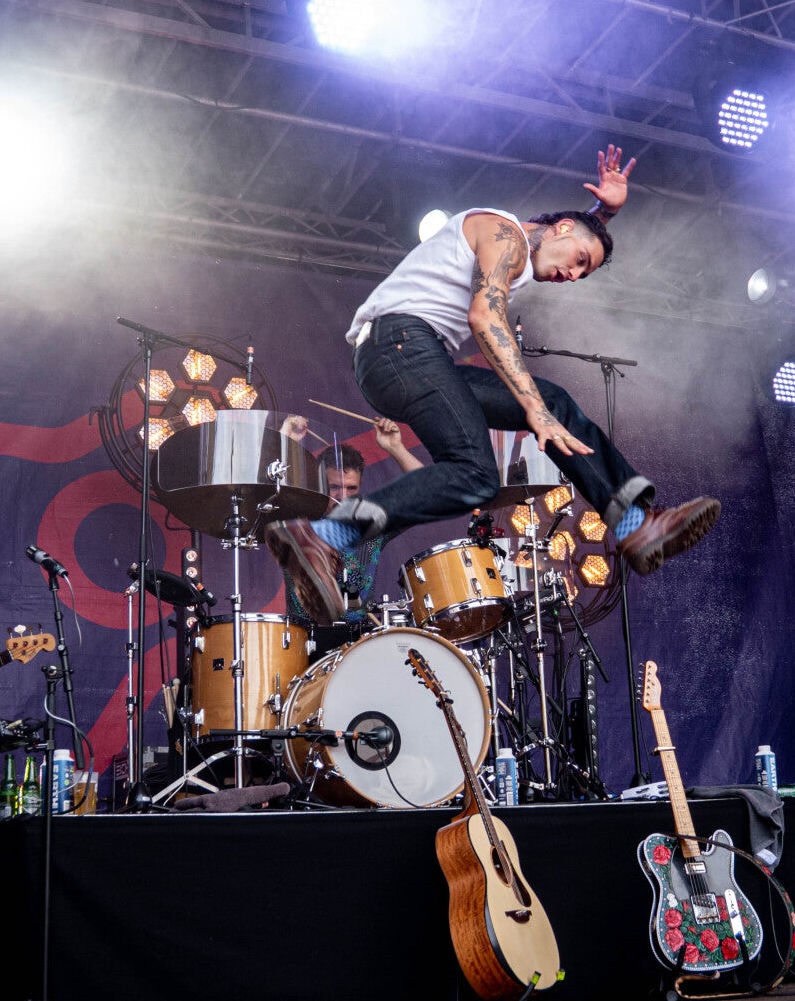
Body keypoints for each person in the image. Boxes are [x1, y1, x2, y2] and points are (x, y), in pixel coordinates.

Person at [266, 145, 719, 623]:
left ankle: (634, 526)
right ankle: (323, 535)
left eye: (582, 273)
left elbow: (564, 236)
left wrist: (603, 214)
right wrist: (532, 409)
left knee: (553, 404)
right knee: (481, 468)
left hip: (404, 357)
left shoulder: (525, 242)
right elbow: (485, 317)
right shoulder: (506, 235)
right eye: (580, 261)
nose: (573, 275)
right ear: (563, 228)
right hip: (399, 348)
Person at [278, 418, 423, 639]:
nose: (343, 496)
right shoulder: (297, 518)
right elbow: (258, 489)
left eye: (351, 488)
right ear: (319, 483)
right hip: (303, 641)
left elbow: (426, 493)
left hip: (358, 643)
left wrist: (396, 447)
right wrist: (285, 440)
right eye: (335, 487)